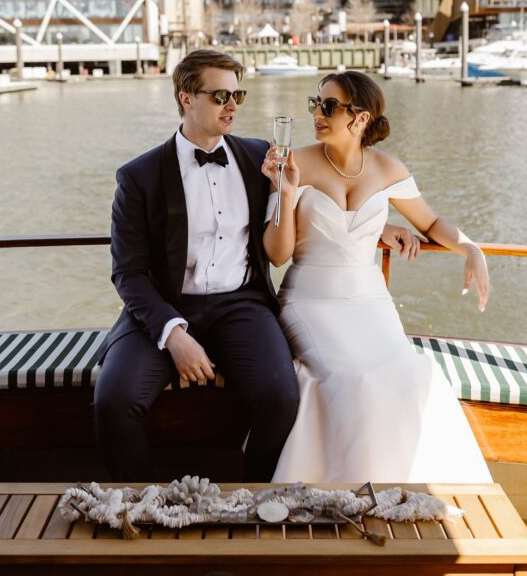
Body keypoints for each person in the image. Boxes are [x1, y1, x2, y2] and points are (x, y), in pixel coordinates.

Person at [94, 51, 417, 488]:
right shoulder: (139, 176)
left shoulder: (260, 157)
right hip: (164, 308)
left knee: (281, 397)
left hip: (240, 306)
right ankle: (136, 502)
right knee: (113, 398)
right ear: (186, 98)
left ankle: (256, 497)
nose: (232, 105)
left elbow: (308, 206)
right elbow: (128, 274)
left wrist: (379, 225)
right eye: (220, 95)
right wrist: (173, 334)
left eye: (238, 95)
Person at [240, 70, 492, 576]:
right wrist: (283, 194)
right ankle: (353, 556)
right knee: (352, 381)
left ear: (360, 118)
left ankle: (400, 540)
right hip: (310, 301)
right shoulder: (294, 161)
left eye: (329, 105)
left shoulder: (389, 169)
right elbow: (278, 255)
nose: (317, 112)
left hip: (370, 303)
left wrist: (469, 245)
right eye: (316, 102)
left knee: (411, 377)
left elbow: (429, 221)